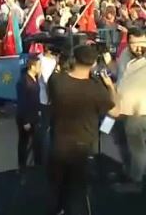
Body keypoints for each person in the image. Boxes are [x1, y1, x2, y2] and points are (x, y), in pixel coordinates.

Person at [47, 45, 118, 215]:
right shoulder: (96, 89)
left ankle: (58, 209)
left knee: (58, 185)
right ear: (93, 64)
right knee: (78, 189)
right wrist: (110, 87)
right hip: (83, 145)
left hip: (58, 143)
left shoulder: (57, 81)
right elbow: (115, 112)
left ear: (74, 59)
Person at [111, 28, 146, 193]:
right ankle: (128, 170)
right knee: (121, 141)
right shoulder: (125, 54)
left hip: (139, 111)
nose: (138, 47)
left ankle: (136, 180)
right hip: (120, 108)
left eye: (142, 43)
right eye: (133, 43)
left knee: (136, 146)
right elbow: (120, 76)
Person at [16, 55, 42, 174]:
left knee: (37, 141)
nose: (40, 68)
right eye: (39, 66)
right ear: (32, 66)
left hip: (34, 115)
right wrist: (25, 121)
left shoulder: (35, 79)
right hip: (25, 117)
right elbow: (22, 102)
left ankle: (37, 164)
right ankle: (22, 165)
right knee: (24, 142)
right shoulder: (23, 81)